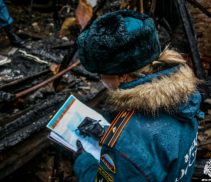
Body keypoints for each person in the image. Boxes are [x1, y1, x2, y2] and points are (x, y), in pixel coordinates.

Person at [73, 9, 204, 182]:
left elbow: (135, 149)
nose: (99, 78)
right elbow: (156, 144)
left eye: (100, 73)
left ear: (122, 76)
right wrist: (105, 132)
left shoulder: (125, 143)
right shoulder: (185, 96)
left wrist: (84, 163)